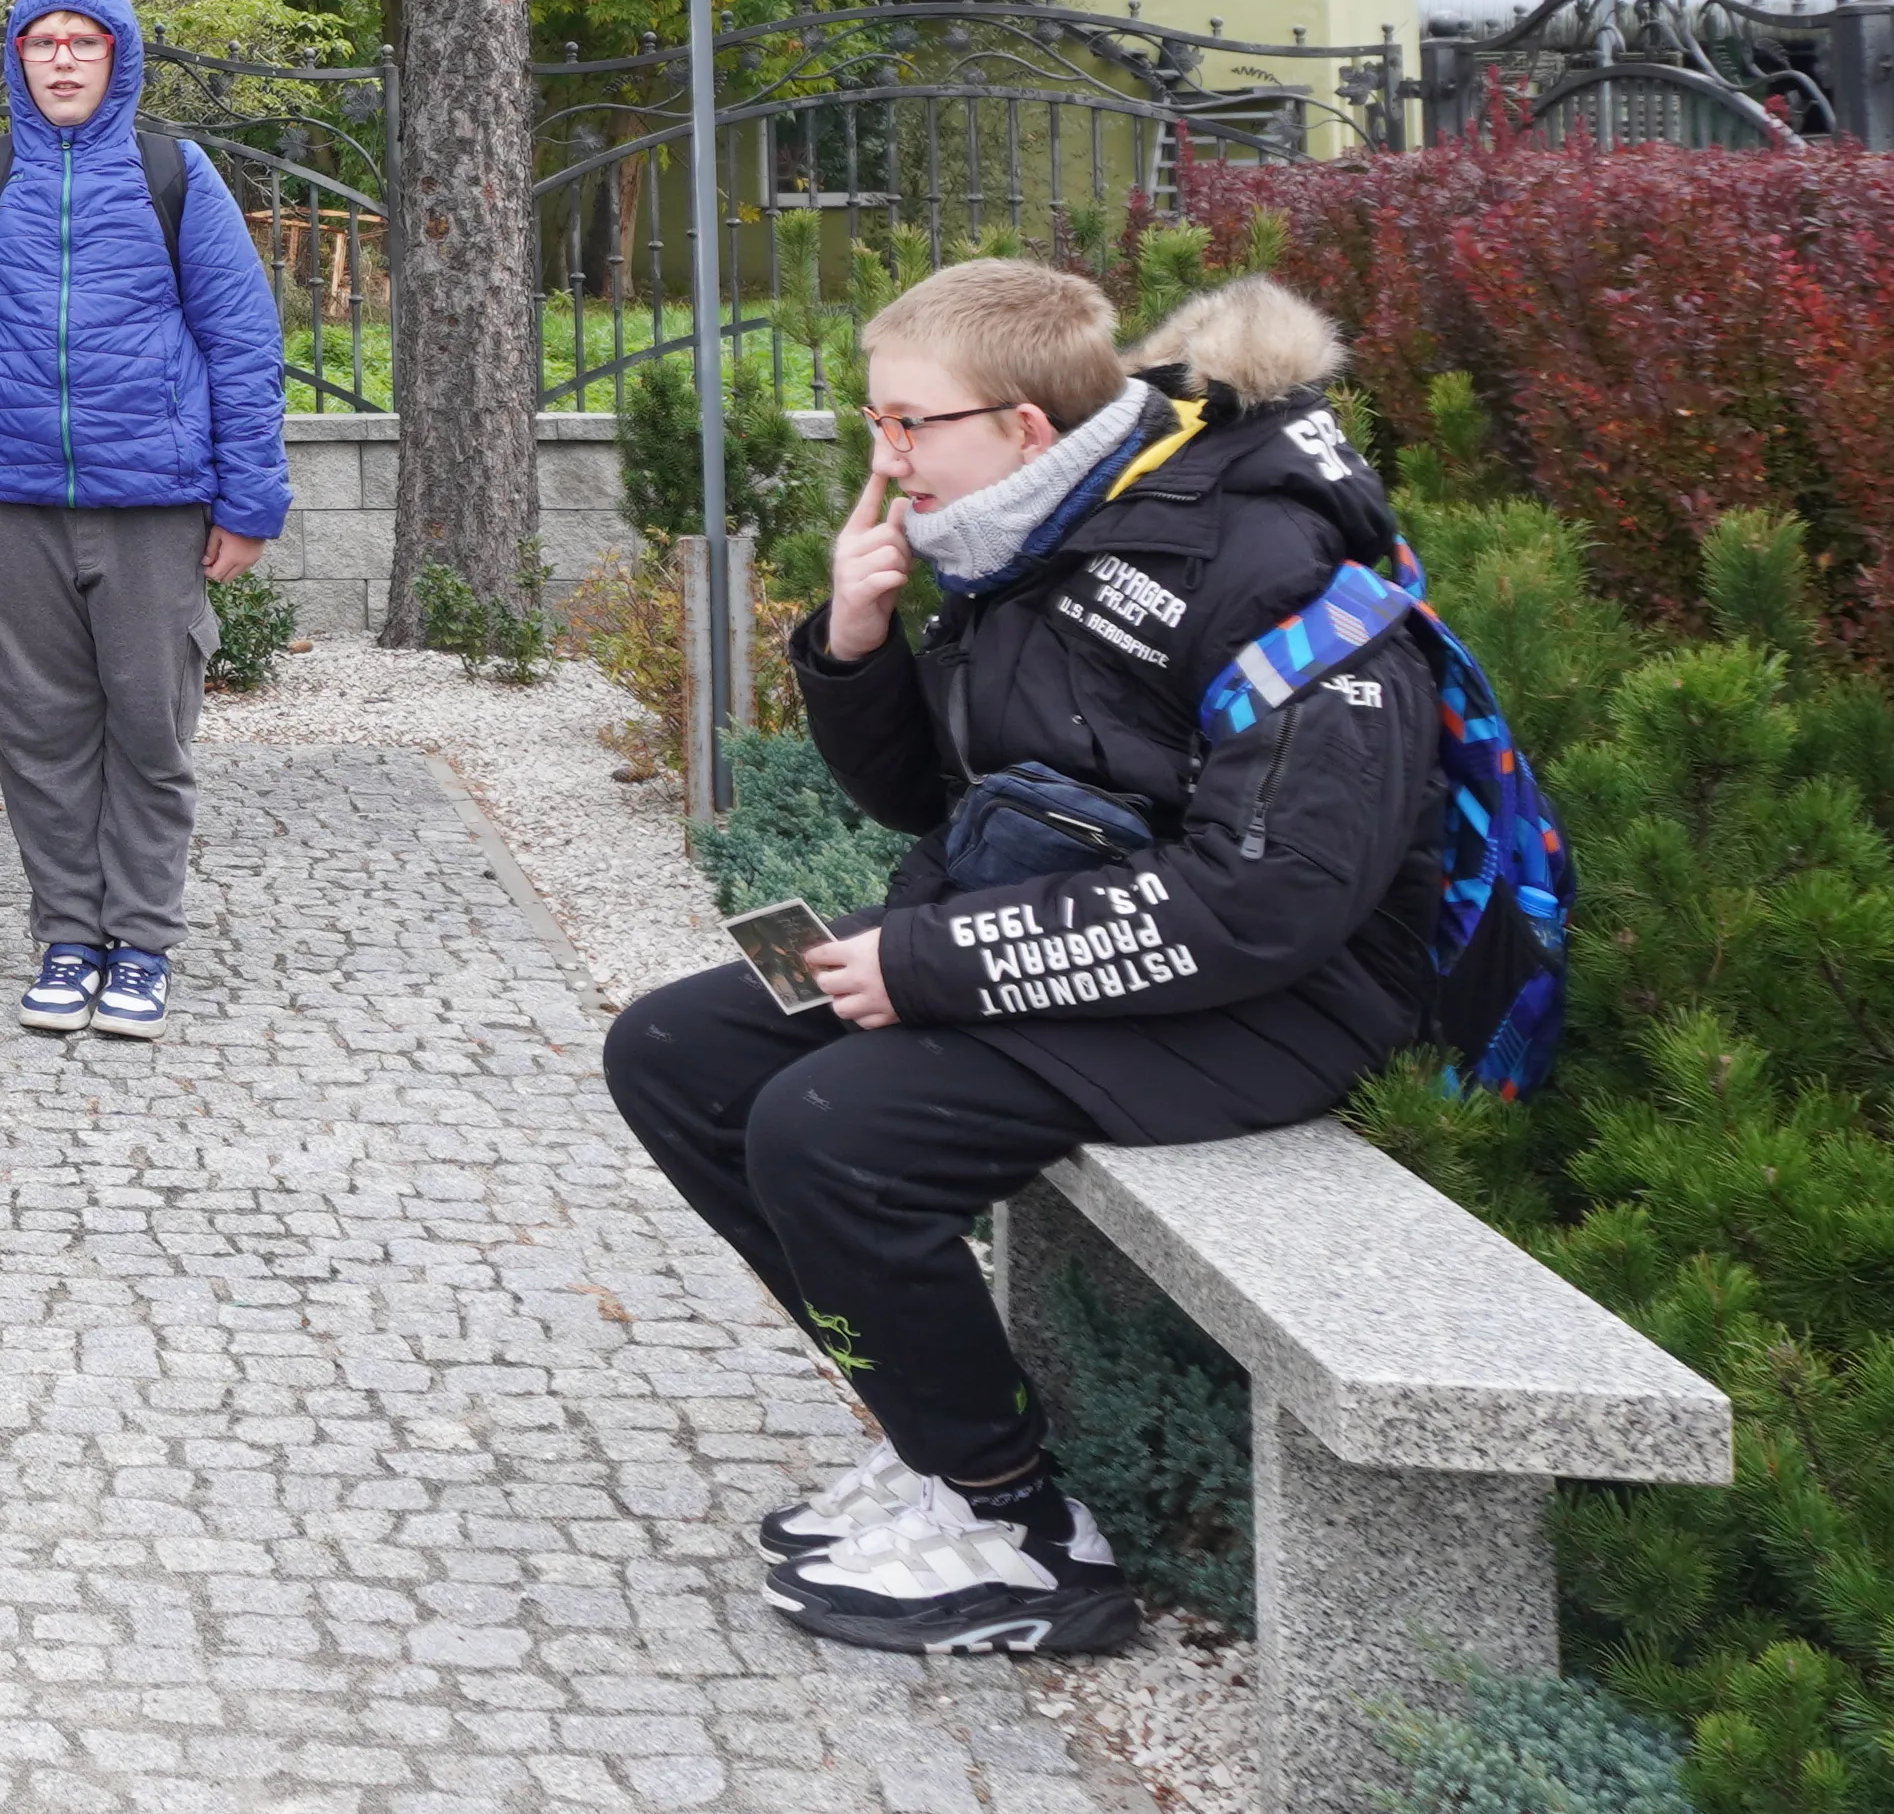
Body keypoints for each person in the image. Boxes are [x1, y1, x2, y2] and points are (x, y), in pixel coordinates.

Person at [603, 265, 1447, 1658]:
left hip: (1277, 993)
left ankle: (1025, 1533)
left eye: (909, 424)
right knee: (675, 1051)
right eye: (877, 422)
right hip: (1082, 936)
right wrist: (854, 642)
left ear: (1028, 426)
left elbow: (1274, 895)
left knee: (831, 1128)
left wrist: (935, 961)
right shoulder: (1030, 531)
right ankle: (937, 1444)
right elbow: (932, 797)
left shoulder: (1262, 563)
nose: (887, 458)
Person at [0, 0, 288, 1043]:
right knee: (39, 733)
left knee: (151, 730)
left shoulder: (176, 173)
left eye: (84, 41)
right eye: (42, 41)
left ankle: (142, 941)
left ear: (120, 56)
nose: (62, 60)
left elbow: (242, 342)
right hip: (8, 505)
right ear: (16, 58)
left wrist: (249, 500)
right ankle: (69, 935)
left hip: (153, 507)